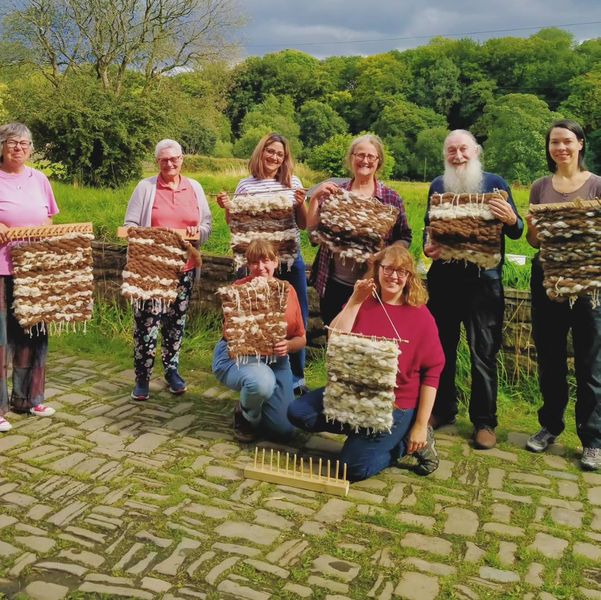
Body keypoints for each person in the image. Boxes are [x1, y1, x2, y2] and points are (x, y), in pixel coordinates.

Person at [288, 243, 444, 482]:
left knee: (353, 468)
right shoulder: (364, 301)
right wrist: (354, 301)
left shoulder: (421, 316)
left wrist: (421, 424)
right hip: (353, 394)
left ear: (409, 277)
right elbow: (335, 339)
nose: (394, 276)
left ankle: (401, 443)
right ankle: (362, 431)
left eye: (401, 271)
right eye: (388, 268)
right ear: (377, 269)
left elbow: (432, 372)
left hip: (394, 404)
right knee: (299, 413)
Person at [424, 129, 523, 449]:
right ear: (445, 156)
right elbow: (431, 229)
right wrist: (428, 246)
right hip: (444, 279)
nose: (458, 156)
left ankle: (485, 422)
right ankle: (443, 410)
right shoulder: (438, 186)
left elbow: (518, 231)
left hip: (484, 283)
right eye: (451, 151)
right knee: (442, 349)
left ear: (476, 152)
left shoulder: (497, 184)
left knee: (484, 353)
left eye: (464, 149)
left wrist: (511, 220)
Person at [525, 120, 601, 471]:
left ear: (581, 145)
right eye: (555, 142)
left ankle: (593, 440)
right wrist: (533, 227)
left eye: (568, 142)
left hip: (589, 286)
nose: (561, 148)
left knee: (590, 364)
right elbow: (534, 243)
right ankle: (550, 426)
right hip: (548, 282)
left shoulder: (598, 186)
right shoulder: (540, 187)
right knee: (550, 359)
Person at [216, 133, 309, 395]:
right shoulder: (245, 185)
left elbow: (302, 224)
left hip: (288, 260)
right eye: (270, 151)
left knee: (295, 315)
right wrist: (226, 207)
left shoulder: (294, 183)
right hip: (256, 263)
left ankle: (296, 379)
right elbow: (235, 223)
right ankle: (254, 368)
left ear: (285, 158)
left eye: (279, 154)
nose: (274, 157)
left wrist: (301, 204)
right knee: (253, 314)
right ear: (261, 153)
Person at [124, 139, 212, 401]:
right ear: (157, 162)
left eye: (174, 159)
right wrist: (154, 238)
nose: (170, 164)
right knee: (147, 324)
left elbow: (206, 224)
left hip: (182, 270)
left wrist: (200, 233)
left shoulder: (194, 187)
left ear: (182, 159)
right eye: (164, 160)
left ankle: (172, 371)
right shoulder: (145, 188)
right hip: (152, 270)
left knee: (176, 323)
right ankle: (143, 377)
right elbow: (130, 225)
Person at [307, 134, 412, 326]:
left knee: (367, 340)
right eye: (360, 155)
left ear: (378, 161)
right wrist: (314, 200)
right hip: (333, 285)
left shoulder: (391, 198)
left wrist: (384, 255)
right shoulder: (335, 194)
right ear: (351, 158)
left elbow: (405, 237)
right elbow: (314, 237)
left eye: (371, 156)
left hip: (373, 286)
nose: (365, 160)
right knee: (335, 338)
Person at [212, 240, 306, 442]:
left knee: (284, 431)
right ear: (248, 264)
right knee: (262, 382)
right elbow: (231, 334)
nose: (260, 267)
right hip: (239, 358)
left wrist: (288, 345)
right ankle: (247, 414)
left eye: (266, 261)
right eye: (254, 262)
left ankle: (261, 401)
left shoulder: (288, 291)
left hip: (277, 360)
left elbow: (301, 338)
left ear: (276, 262)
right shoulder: (238, 289)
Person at [0, 123, 59, 433]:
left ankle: (30, 398)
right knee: (0, 338)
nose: (18, 148)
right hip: (1, 269)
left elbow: (48, 218)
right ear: (2, 146)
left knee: (33, 335)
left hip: (34, 268)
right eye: (12, 142)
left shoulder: (40, 179)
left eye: (24, 143)